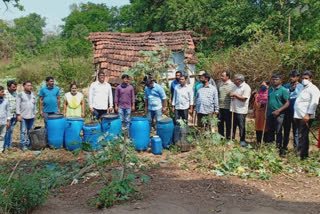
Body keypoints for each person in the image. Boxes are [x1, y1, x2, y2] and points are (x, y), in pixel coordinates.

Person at [294, 71, 320, 160]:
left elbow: (314, 103)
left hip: (305, 116)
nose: (304, 80)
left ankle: (301, 155)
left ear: (310, 79)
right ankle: (303, 154)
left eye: (306, 78)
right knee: (302, 135)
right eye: (303, 78)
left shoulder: (314, 89)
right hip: (298, 115)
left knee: (302, 135)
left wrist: (308, 115)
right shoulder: (301, 88)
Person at [266, 74, 289, 156]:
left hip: (279, 115)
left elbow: (287, 103)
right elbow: (268, 99)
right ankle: (270, 149)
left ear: (280, 80)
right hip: (269, 114)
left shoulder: (283, 90)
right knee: (270, 131)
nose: (275, 81)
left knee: (278, 132)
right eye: (273, 79)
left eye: (277, 79)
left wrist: (279, 110)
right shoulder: (270, 90)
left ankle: (279, 149)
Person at [283, 70, 303, 150]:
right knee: (286, 130)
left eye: (293, 76)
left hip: (296, 112)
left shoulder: (301, 87)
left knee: (296, 132)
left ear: (298, 77)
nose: (291, 78)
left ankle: (296, 148)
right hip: (287, 111)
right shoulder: (286, 86)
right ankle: (284, 147)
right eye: (290, 76)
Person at [229, 74, 251, 147]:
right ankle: (231, 139)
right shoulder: (234, 86)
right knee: (233, 125)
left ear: (239, 80)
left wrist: (235, 95)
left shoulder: (246, 87)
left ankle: (242, 140)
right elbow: (232, 94)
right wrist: (232, 95)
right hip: (233, 109)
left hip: (241, 110)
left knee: (241, 126)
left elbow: (244, 99)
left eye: (235, 79)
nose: (234, 80)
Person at [16, 81, 37, 151]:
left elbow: (35, 105)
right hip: (23, 116)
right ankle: (22, 145)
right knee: (23, 131)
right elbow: (17, 105)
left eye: (30, 85)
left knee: (30, 131)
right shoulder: (20, 95)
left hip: (31, 116)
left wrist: (35, 113)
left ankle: (29, 143)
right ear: (24, 86)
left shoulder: (33, 94)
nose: (29, 87)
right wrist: (18, 114)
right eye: (28, 85)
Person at [217, 71, 234, 140]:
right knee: (220, 123)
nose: (221, 77)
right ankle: (221, 137)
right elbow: (217, 94)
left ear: (228, 77)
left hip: (228, 108)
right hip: (220, 107)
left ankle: (228, 138)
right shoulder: (219, 84)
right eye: (221, 75)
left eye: (223, 76)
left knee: (228, 124)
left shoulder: (232, 85)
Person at [253, 81, 270, 145]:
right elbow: (255, 104)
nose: (262, 86)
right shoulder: (257, 95)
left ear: (268, 86)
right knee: (258, 127)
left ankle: (265, 142)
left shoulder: (269, 94)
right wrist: (254, 112)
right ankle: (258, 142)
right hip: (258, 115)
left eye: (264, 85)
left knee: (265, 128)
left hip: (265, 114)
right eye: (261, 85)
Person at [4, 80, 17, 150]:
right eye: (13, 87)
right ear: (9, 87)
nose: (15, 88)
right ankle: (5, 146)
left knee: (11, 130)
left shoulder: (16, 93)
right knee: (6, 131)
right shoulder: (4, 94)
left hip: (14, 116)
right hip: (6, 116)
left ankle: (9, 145)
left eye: (16, 87)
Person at [0, 86, 10, 153]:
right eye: (2, 92)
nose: (3, 93)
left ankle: (0, 150)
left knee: (2, 136)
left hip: (3, 121)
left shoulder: (5, 101)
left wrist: (8, 120)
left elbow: (8, 111)